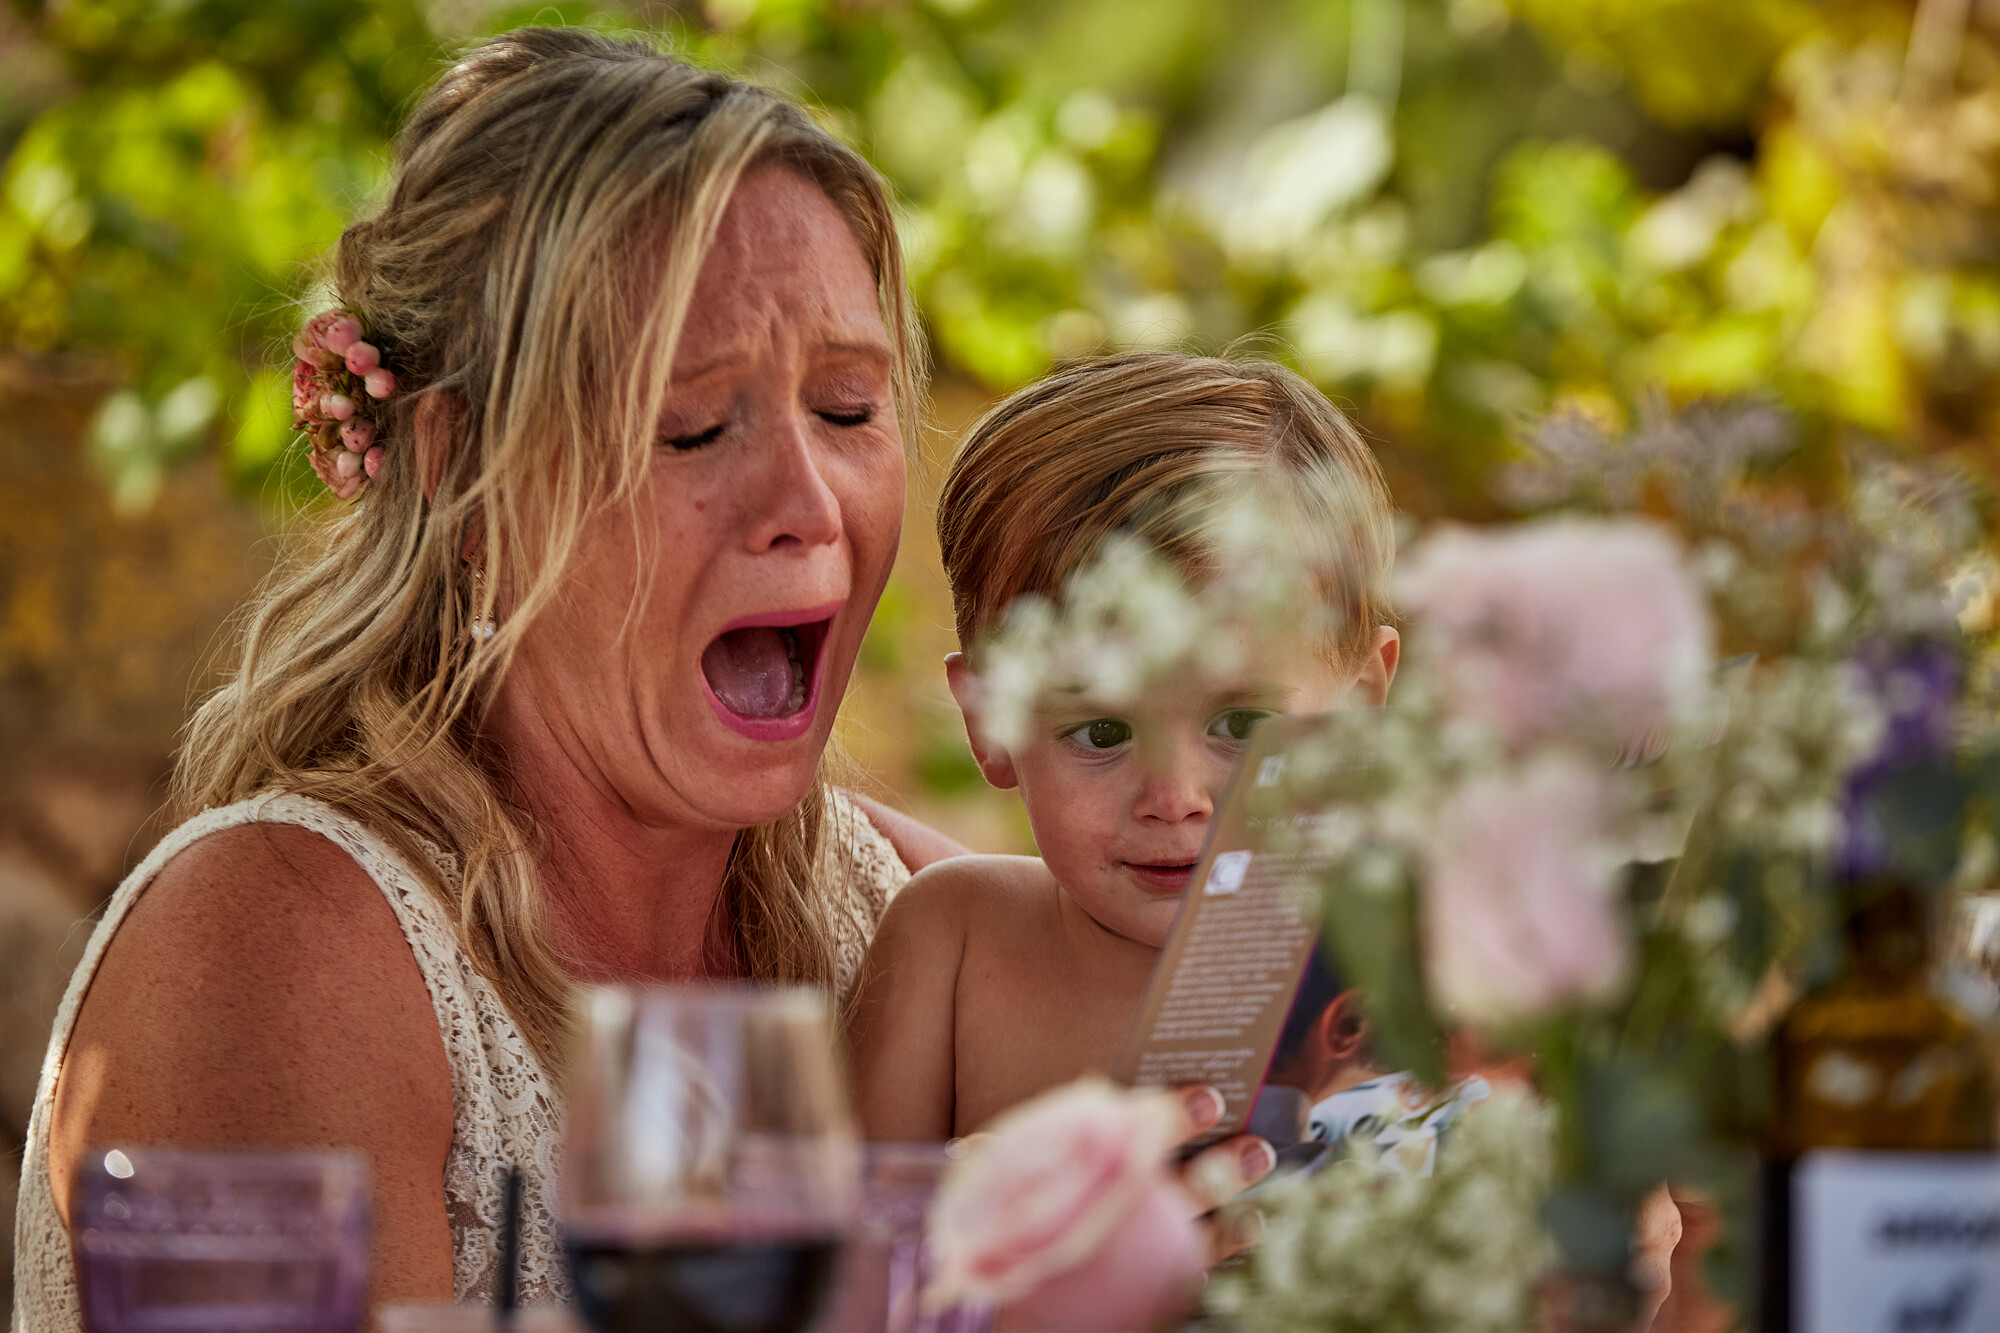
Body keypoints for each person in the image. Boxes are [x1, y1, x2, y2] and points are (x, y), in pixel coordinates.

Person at [14, 33, 1275, 1329]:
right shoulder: (274, 936)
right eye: (691, 426)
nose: (807, 504)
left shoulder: (901, 916)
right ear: (460, 469)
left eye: (848, 411)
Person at [846, 352, 1402, 1141]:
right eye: (1101, 731)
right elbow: (843, 1239)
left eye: (1242, 725)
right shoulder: (957, 944)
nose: (1174, 797)